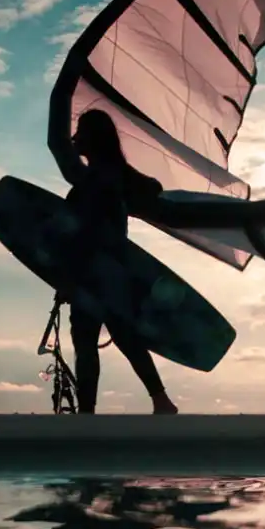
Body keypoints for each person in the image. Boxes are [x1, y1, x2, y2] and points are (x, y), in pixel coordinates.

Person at [59, 109, 178, 415]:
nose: (75, 138)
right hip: (104, 270)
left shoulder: (101, 178)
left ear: (93, 138)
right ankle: (160, 400)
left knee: (91, 339)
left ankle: (88, 413)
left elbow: (153, 188)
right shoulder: (109, 175)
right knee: (122, 335)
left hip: (98, 270)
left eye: (80, 132)